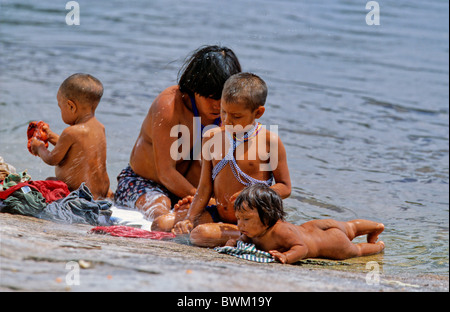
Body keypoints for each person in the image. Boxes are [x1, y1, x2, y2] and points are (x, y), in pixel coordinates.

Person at [114, 45, 241, 224]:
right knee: (161, 214)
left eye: (224, 98)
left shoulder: (231, 113)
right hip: (144, 184)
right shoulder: (169, 105)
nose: (217, 106)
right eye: (211, 97)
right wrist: (205, 201)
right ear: (195, 86)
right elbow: (165, 172)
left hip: (193, 193)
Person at [172, 73, 291, 247]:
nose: (227, 121)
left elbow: (285, 187)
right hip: (219, 214)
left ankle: (257, 236)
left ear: (258, 112)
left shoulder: (269, 142)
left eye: (236, 117)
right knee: (162, 224)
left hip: (253, 222)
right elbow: (204, 187)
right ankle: (233, 236)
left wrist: (251, 197)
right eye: (223, 112)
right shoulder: (211, 137)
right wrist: (190, 218)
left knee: (201, 235)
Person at [226, 184, 385, 263]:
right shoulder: (253, 232)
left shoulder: (280, 231)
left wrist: (286, 257)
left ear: (267, 217)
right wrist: (236, 243)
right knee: (350, 226)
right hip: (315, 227)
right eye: (238, 219)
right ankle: (375, 227)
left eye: (246, 219)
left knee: (356, 250)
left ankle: (379, 245)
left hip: (332, 243)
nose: (240, 225)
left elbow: (302, 248)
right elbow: (245, 240)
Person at [30, 73, 112, 200]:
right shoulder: (100, 128)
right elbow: (74, 149)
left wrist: (39, 147)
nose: (60, 111)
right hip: (101, 192)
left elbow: (53, 159)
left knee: (49, 182)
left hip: (79, 195)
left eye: (60, 107)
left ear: (71, 106)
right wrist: (50, 136)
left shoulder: (71, 132)